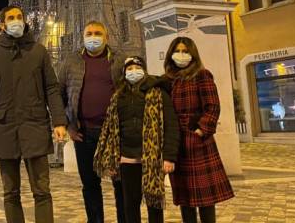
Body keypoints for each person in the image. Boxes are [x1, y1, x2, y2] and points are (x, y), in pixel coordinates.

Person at [0, 5, 67, 223]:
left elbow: (51, 88)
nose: (16, 21)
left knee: (42, 191)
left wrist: (59, 121)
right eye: (11, 18)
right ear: (2, 25)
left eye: (19, 17)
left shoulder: (38, 51)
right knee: (10, 192)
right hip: (3, 126)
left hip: (34, 125)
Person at [93, 56, 179, 223]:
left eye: (136, 68)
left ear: (144, 70)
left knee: (154, 203)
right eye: (129, 69)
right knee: (130, 205)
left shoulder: (158, 93)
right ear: (124, 73)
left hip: (152, 159)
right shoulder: (118, 96)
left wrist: (169, 156)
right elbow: (110, 129)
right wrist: (111, 159)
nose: (133, 72)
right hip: (126, 159)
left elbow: (171, 126)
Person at [58, 20, 126, 223]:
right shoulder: (71, 62)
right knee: (90, 183)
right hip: (84, 133)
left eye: (98, 33)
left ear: (106, 37)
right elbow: (58, 94)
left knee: (120, 183)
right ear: (83, 37)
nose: (93, 37)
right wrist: (68, 125)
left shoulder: (119, 61)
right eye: (89, 33)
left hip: (114, 134)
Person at [164, 37, 233, 223]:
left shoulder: (202, 75)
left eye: (185, 51)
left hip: (198, 143)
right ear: (171, 55)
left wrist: (201, 131)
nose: (181, 55)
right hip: (177, 143)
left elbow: (213, 107)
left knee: (205, 198)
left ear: (192, 54)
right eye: (177, 51)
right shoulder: (169, 80)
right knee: (185, 197)